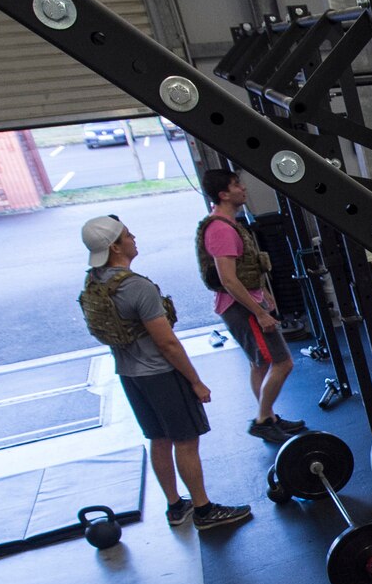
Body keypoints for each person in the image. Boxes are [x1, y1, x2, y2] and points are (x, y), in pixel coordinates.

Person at [78, 215, 251, 532]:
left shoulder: (96, 282)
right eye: (128, 235)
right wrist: (195, 381)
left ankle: (175, 506)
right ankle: (204, 510)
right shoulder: (136, 288)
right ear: (116, 246)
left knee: (159, 439)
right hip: (160, 375)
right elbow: (167, 343)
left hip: (131, 376)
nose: (134, 238)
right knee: (186, 441)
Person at [197, 168, 305, 444]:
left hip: (245, 304)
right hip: (242, 309)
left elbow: (244, 271)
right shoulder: (221, 229)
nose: (243, 188)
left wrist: (263, 294)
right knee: (283, 362)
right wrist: (259, 313)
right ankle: (262, 420)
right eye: (236, 185)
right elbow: (229, 280)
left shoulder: (225, 223)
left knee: (259, 365)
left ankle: (268, 417)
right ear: (223, 194)